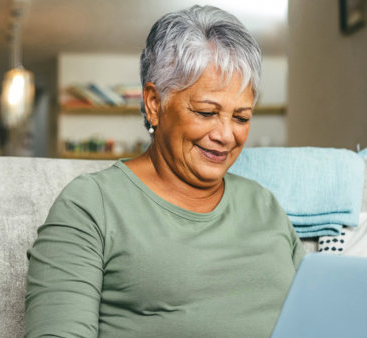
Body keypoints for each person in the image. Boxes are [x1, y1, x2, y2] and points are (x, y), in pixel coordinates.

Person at [24, 5, 305, 338]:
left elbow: (319, 318)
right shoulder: (91, 205)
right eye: (206, 112)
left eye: (241, 118)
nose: (226, 135)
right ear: (154, 104)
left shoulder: (265, 206)